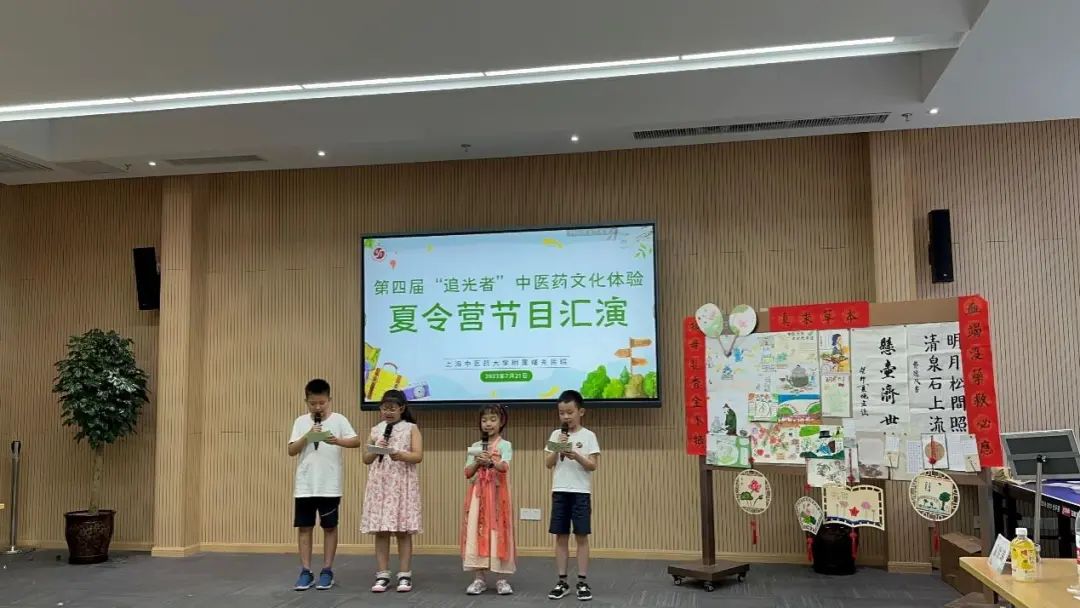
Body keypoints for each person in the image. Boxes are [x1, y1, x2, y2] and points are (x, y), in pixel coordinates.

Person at [287, 379, 362, 591]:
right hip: (305, 485)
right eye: (313, 403)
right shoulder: (301, 421)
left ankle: (327, 570)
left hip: (329, 484)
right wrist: (308, 436)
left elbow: (355, 441)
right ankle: (305, 571)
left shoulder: (339, 419)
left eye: (322, 403)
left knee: (329, 527)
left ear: (329, 400)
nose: (318, 407)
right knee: (304, 527)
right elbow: (291, 450)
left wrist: (336, 440)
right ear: (306, 402)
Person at [361, 389, 423, 593]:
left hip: (401, 483)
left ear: (401, 408)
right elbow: (366, 459)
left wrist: (400, 454)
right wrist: (376, 448)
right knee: (381, 531)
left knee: (402, 531)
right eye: (384, 408)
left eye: (392, 408)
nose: (388, 412)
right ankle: (382, 574)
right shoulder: (376, 429)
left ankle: (404, 575)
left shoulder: (411, 428)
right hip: (380, 484)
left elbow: (418, 456)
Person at [544, 389, 600, 601]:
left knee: (581, 536)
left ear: (581, 412)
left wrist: (576, 455)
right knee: (561, 536)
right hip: (560, 491)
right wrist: (558, 448)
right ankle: (562, 581)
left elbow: (592, 465)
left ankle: (582, 581)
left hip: (580, 492)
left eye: (570, 412)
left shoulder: (588, 436)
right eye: (562, 413)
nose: (566, 417)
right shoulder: (555, 435)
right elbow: (548, 463)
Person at [461, 404, 516, 595]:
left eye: (493, 419)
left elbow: (504, 467)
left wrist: (491, 462)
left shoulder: (505, 445)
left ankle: (501, 579)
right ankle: (479, 578)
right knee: (477, 531)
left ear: (501, 422)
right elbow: (468, 473)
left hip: (498, 495)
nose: (488, 424)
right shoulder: (476, 447)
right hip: (478, 495)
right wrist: (478, 462)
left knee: (499, 532)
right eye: (484, 420)